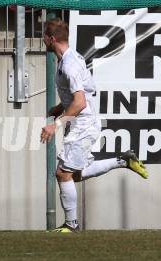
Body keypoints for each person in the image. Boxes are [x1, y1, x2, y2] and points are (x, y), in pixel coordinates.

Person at [40, 18, 148, 233]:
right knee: (75, 174)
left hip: (83, 124)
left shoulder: (69, 64)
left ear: (52, 39)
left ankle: (72, 225)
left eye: (44, 37)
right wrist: (61, 107)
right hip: (83, 121)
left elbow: (80, 102)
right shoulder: (71, 58)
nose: (43, 41)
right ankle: (123, 160)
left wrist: (56, 124)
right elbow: (82, 94)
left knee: (63, 174)